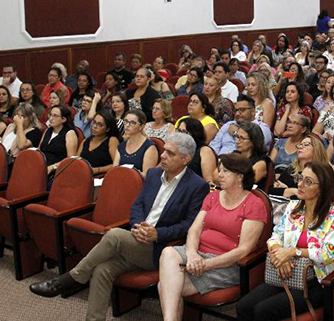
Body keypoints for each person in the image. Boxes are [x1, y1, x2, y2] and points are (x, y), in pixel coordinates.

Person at [29, 133, 210, 321]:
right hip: (136, 239)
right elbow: (137, 205)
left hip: (161, 250)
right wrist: (138, 226)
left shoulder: (197, 186)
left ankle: (71, 279)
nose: (163, 155)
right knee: (102, 270)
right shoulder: (155, 175)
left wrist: (157, 234)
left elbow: (189, 226)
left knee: (114, 234)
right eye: (164, 151)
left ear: (185, 158)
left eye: (170, 153)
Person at [157, 153, 266, 321]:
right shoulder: (213, 196)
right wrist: (192, 254)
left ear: (240, 177)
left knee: (164, 285)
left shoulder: (254, 204)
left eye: (226, 171)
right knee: (168, 253)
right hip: (198, 255)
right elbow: (194, 230)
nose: (219, 175)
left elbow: (244, 249)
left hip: (227, 264)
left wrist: (207, 264)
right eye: (219, 170)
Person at [236, 162, 334, 321]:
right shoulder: (293, 207)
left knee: (263, 311)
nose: (300, 184)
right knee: (243, 306)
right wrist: (279, 255)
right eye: (301, 178)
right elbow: (275, 237)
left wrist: (293, 252)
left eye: (308, 181)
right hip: (286, 272)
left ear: (322, 188)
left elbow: (329, 253)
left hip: (318, 280)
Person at [270, 134, 329, 199]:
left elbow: (315, 197)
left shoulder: (323, 173)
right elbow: (272, 191)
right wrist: (292, 191)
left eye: (306, 145)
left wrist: (290, 191)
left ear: (317, 149)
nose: (300, 147)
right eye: (300, 145)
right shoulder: (291, 170)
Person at [113, 110, 159, 179]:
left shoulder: (149, 147)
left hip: (139, 185)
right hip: (121, 183)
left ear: (141, 126)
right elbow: (114, 171)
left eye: (132, 123)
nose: (127, 125)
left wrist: (132, 173)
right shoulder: (121, 146)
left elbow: (147, 175)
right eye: (125, 121)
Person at [78, 110, 121, 176]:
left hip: (102, 177)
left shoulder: (112, 140)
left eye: (100, 125)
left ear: (107, 129)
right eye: (94, 122)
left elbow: (116, 164)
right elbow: (75, 160)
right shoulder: (85, 141)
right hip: (83, 176)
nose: (94, 126)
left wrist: (97, 170)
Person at [39, 105, 79, 175]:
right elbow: (39, 150)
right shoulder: (48, 130)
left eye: (55, 116)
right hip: (41, 166)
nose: (51, 119)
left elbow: (70, 159)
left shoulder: (70, 134)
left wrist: (53, 167)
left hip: (57, 171)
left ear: (63, 119)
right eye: (50, 115)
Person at [174, 118, 217, 182]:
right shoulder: (175, 149)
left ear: (194, 134)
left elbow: (209, 181)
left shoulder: (205, 151)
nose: (179, 135)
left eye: (183, 132)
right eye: (178, 130)